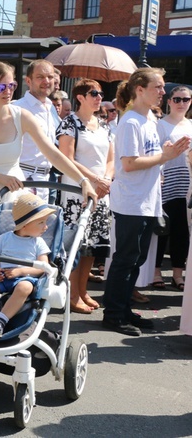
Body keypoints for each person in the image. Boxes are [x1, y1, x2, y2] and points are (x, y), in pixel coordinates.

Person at [0, 61, 97, 275]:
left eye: (11, 86)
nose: (7, 92)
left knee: (16, 260)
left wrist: (83, 181)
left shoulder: (21, 116)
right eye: (0, 87)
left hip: (15, 195)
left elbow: (53, 153)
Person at [103, 68, 190, 337]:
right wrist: (165, 158)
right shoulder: (130, 122)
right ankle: (114, 315)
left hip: (146, 200)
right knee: (125, 259)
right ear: (139, 89)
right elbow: (129, 164)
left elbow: (149, 157)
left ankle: (124, 309)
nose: (163, 92)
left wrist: (161, 166)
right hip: (131, 202)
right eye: (159, 87)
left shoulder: (149, 118)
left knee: (136, 259)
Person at [56, 79, 114, 314]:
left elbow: (111, 160)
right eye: (94, 93)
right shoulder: (69, 123)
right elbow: (67, 159)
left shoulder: (104, 126)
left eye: (101, 93)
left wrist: (107, 179)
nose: (99, 97)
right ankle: (70, 294)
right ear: (80, 97)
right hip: (76, 193)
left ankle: (82, 291)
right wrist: (95, 179)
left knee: (91, 246)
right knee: (75, 247)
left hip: (101, 193)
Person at [0, 193, 53, 337]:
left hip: (24, 278)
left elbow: (43, 267)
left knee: (25, 287)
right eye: (41, 222)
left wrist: (20, 271)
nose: (46, 227)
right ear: (25, 224)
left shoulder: (38, 242)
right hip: (1, 278)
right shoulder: (5, 238)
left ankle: (0, 320)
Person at [152, 86, 192, 291]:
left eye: (185, 99)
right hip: (165, 182)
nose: (181, 103)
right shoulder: (160, 125)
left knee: (182, 231)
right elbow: (155, 151)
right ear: (169, 101)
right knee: (163, 228)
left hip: (187, 183)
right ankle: (156, 271)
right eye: (177, 99)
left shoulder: (191, 125)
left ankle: (178, 273)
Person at [12, 59, 59, 202]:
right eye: (40, 77)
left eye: (50, 77)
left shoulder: (51, 108)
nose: (46, 81)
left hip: (47, 181)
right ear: (28, 81)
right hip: (24, 180)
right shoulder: (17, 108)